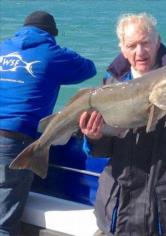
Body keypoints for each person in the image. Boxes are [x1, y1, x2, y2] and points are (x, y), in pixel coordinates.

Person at [79, 13, 166, 236]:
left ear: (158, 41)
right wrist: (94, 137)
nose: (140, 52)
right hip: (117, 212)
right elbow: (100, 152)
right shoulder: (110, 83)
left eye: (145, 43)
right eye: (132, 45)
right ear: (122, 49)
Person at [0, 10, 96, 236]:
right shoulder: (53, 54)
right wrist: (59, 50)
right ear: (51, 35)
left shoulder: (3, 47)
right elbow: (89, 68)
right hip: (14, 142)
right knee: (4, 224)